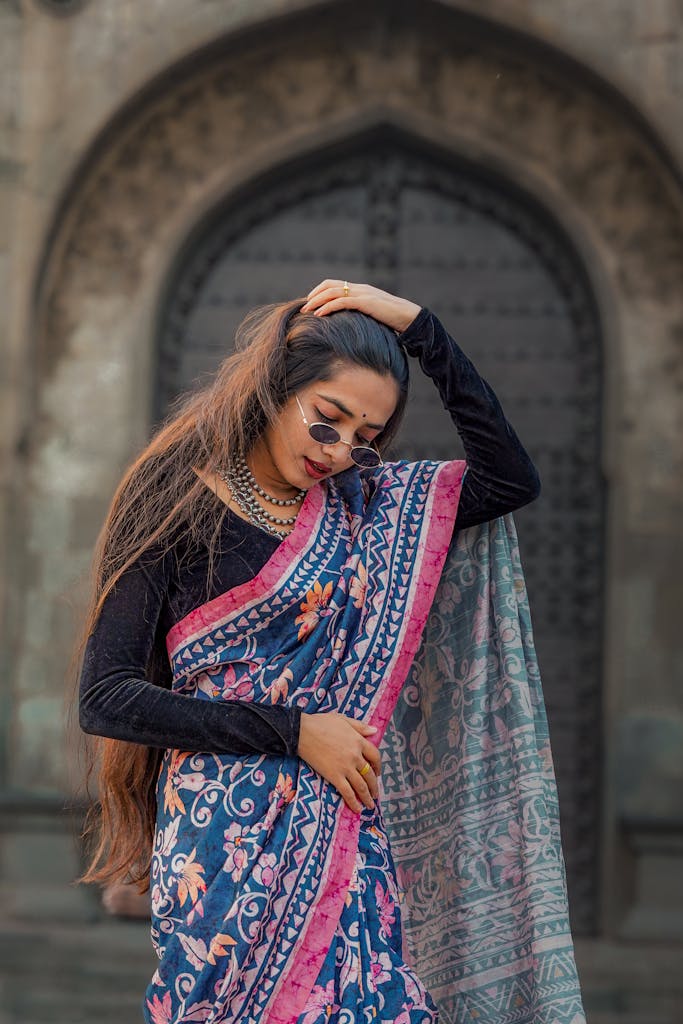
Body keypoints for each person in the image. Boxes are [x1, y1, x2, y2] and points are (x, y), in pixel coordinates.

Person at [78, 281, 584, 1024]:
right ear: (275, 389)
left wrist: (421, 329)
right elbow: (106, 696)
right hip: (221, 854)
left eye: (366, 437)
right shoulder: (173, 497)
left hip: (347, 835)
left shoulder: (366, 505)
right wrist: (293, 731)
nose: (342, 450)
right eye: (328, 421)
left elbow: (509, 478)